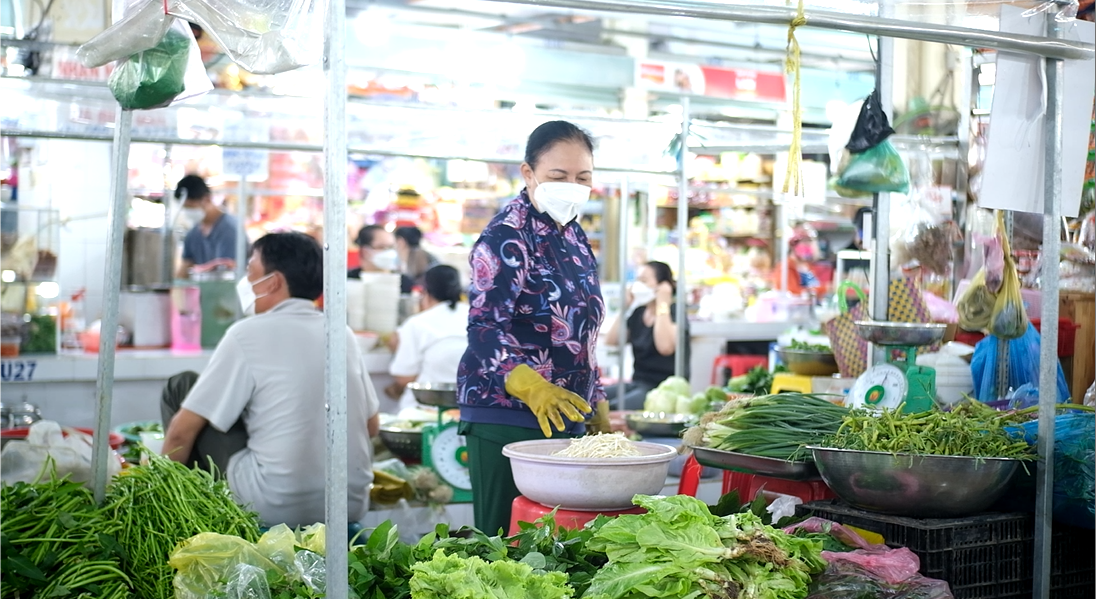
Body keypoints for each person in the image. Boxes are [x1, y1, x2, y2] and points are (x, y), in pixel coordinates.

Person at [161, 232, 381, 528]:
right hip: (348, 504)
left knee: (182, 386)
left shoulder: (247, 333)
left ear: (274, 282)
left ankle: (187, 514)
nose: (246, 281)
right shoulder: (342, 333)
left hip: (271, 505)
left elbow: (180, 434)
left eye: (251, 272)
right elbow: (371, 426)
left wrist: (156, 494)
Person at [456, 120, 611, 534]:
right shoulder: (506, 235)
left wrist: (596, 400)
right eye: (558, 176)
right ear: (528, 174)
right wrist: (531, 385)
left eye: (583, 178)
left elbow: (584, 327)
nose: (572, 186)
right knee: (501, 543)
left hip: (566, 412)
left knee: (557, 547)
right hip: (505, 413)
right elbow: (485, 330)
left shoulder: (574, 236)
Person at [604, 261, 689, 410]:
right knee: (595, 399)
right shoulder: (639, 312)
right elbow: (612, 341)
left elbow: (665, 347)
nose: (637, 285)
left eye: (643, 281)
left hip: (661, 388)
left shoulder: (675, 312)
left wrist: (663, 303)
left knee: (613, 408)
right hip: (637, 382)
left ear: (663, 285)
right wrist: (624, 308)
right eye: (637, 280)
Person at [385, 265, 469, 411]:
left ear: (426, 292)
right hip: (470, 407)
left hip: (428, 410)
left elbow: (404, 377)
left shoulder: (418, 323)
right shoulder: (475, 317)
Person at [174, 174, 240, 279]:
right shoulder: (193, 234)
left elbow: (227, 271)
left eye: (190, 206)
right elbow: (184, 270)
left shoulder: (230, 230)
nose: (188, 212)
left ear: (207, 199)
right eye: (185, 208)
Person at [350, 224, 414, 294]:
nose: (389, 252)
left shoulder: (403, 283)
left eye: (391, 247)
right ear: (365, 250)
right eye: (382, 247)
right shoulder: (350, 280)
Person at [775, 225, 824, 296]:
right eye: (805, 242)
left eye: (810, 242)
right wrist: (824, 289)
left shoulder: (808, 266)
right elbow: (793, 292)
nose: (808, 247)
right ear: (793, 245)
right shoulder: (785, 267)